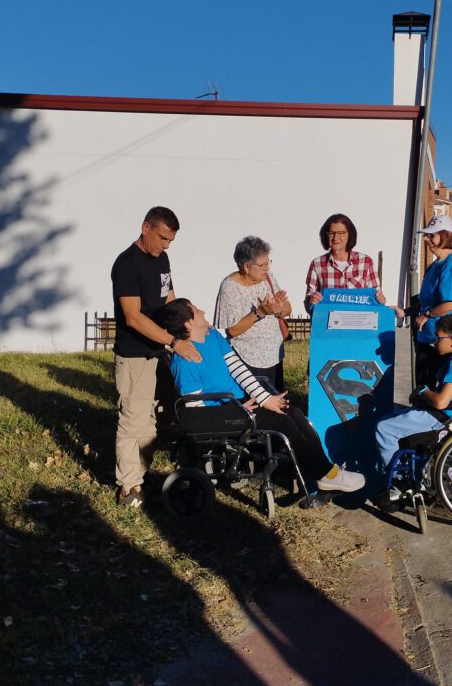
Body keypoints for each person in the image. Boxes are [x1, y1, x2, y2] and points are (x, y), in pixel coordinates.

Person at [156, 299, 365, 495]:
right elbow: (195, 408)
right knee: (283, 423)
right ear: (189, 324)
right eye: (196, 310)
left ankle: (326, 472)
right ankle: (325, 473)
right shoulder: (184, 361)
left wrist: (264, 398)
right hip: (221, 415)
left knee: (293, 413)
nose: (202, 311)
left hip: (237, 404)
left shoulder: (213, 337)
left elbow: (238, 369)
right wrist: (235, 411)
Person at [111, 206, 201, 509]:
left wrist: (186, 325)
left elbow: (169, 300)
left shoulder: (162, 259)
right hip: (135, 355)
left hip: (160, 350)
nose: (166, 245)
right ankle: (129, 487)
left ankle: (141, 473)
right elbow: (133, 317)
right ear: (145, 227)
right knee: (133, 421)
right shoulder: (126, 264)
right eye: (163, 238)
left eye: (171, 240)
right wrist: (174, 341)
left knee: (156, 420)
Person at [375, 314, 452, 471]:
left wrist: (422, 391)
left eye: (438, 338)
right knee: (389, 418)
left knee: (384, 428)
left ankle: (397, 476)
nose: (434, 341)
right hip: (445, 412)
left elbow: (441, 402)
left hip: (445, 417)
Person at [397, 215, 452, 388]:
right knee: (423, 387)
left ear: (445, 236)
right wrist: (405, 312)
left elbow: (450, 304)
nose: (427, 239)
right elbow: (428, 302)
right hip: (429, 339)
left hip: (447, 341)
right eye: (426, 235)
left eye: (432, 235)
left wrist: (427, 315)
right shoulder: (435, 266)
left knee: (436, 391)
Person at [213, 236, 291, 390]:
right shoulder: (230, 287)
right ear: (247, 267)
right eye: (262, 265)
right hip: (247, 359)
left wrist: (278, 309)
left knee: (276, 399)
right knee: (255, 402)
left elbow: (288, 309)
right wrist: (260, 312)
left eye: (268, 262)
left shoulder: (267, 277)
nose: (267, 268)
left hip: (274, 354)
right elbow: (232, 330)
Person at [305, 213, 385, 312]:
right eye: (331, 233)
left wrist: (380, 299)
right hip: (327, 320)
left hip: (359, 320)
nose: (335, 238)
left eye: (341, 233)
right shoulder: (317, 264)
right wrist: (312, 300)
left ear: (349, 235)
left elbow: (377, 298)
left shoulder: (366, 262)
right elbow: (308, 303)